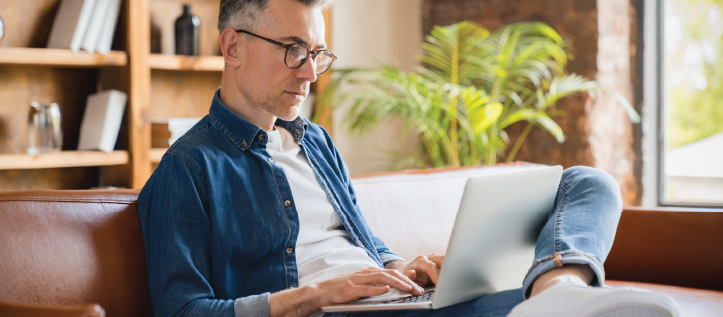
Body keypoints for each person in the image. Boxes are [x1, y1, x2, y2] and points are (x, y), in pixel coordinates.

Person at [137, 0, 678, 316]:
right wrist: (312, 295)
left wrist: (400, 267)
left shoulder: (315, 142)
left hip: (391, 305)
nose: (308, 73)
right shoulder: (188, 169)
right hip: (325, 313)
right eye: (293, 51)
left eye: (317, 55)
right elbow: (183, 311)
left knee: (591, 182)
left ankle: (556, 290)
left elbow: (363, 245)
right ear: (232, 47)